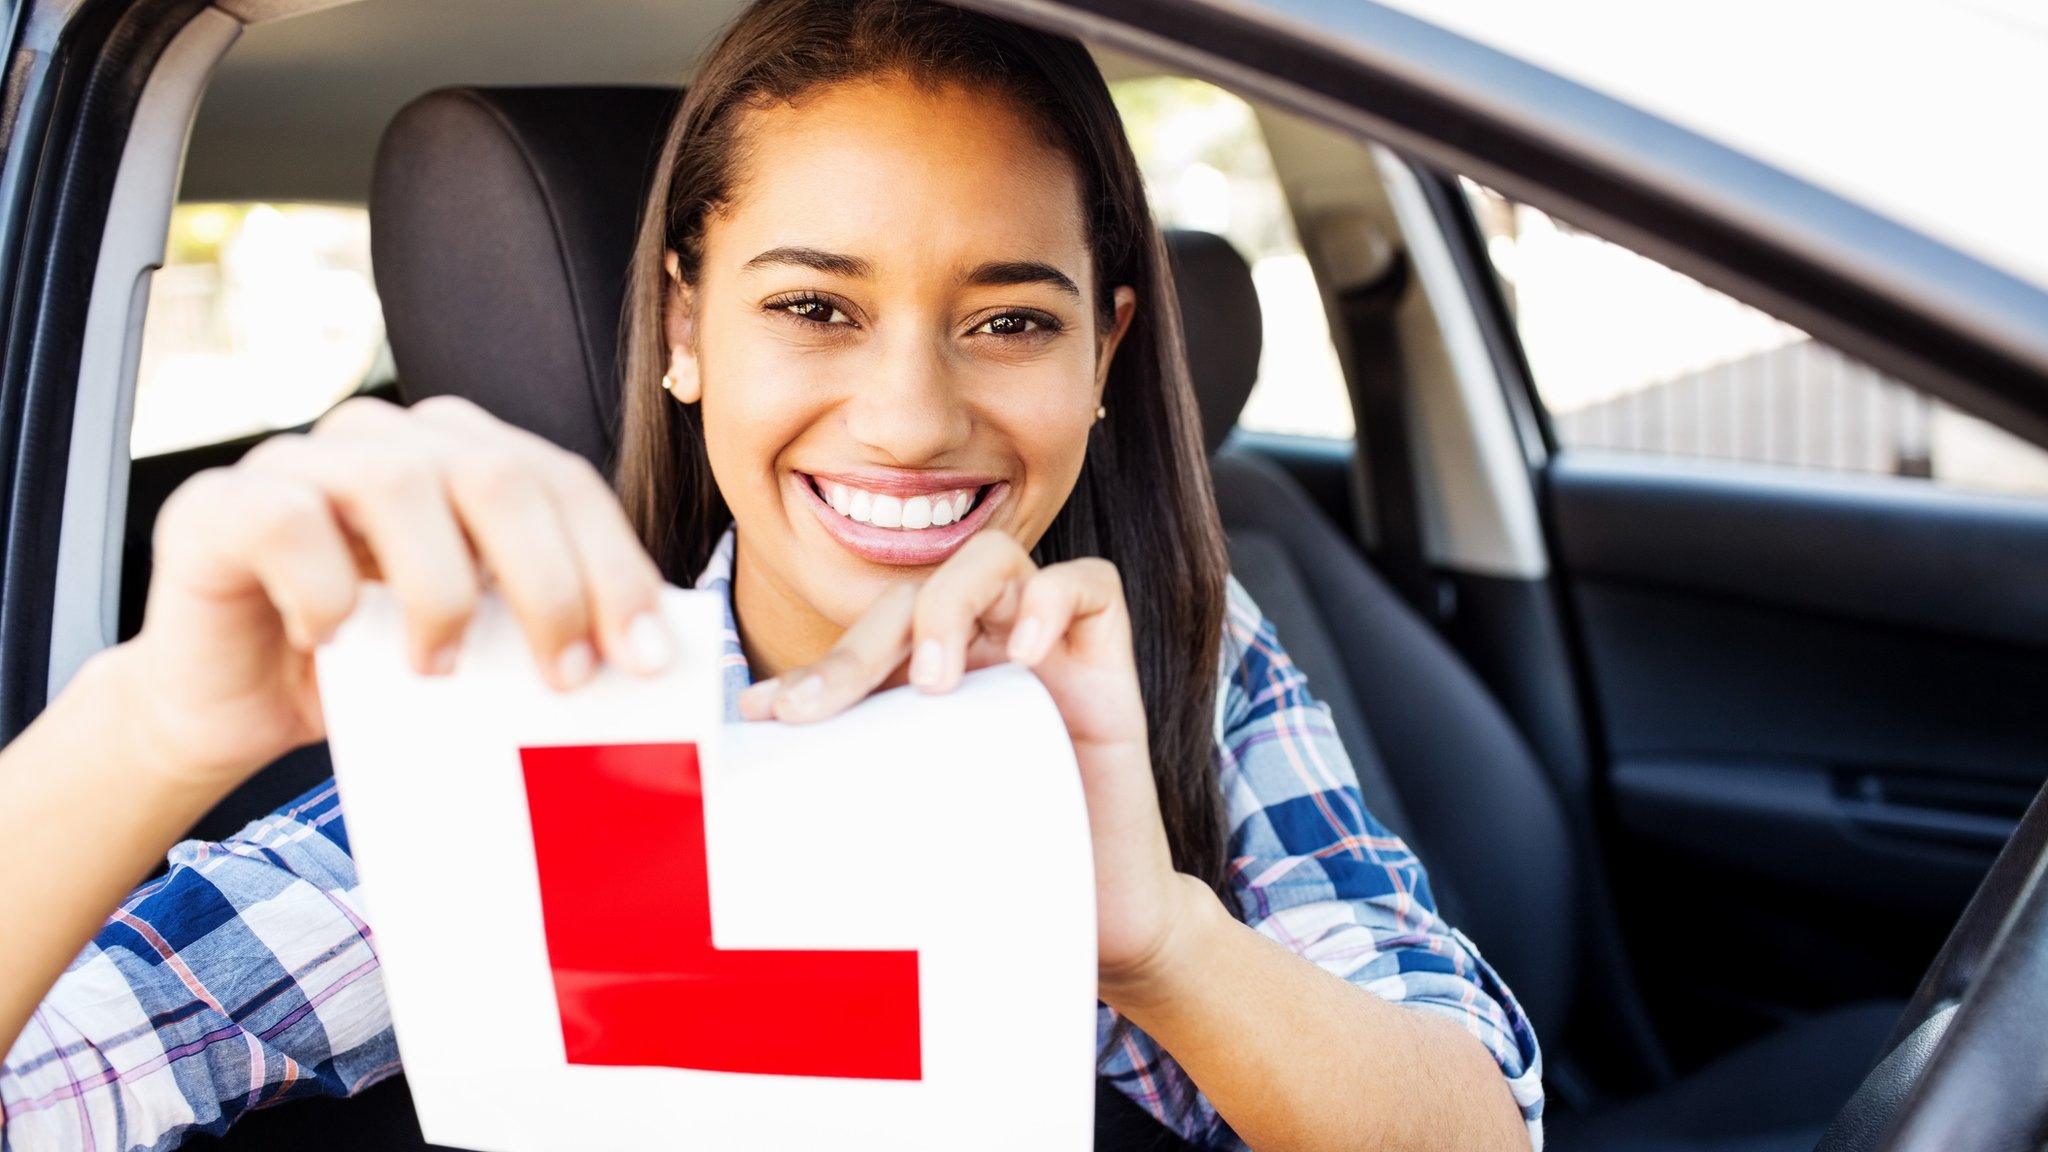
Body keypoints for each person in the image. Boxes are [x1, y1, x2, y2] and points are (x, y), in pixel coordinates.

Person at [0, 1, 1543, 1148]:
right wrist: (147, 728)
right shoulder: (550, 729)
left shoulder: (1181, 662)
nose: (911, 419)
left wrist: (1160, 944)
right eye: (815, 307)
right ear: (681, 331)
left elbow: (1484, 1125)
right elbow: (51, 1089)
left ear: (1105, 354)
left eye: (1008, 321)